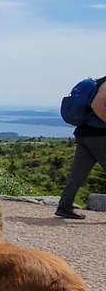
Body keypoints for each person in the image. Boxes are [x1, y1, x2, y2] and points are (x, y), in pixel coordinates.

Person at [54, 80, 106, 219]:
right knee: (78, 174)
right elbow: (97, 104)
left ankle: (64, 207)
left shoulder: (99, 81)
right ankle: (64, 207)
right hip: (99, 135)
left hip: (85, 133)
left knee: (78, 174)